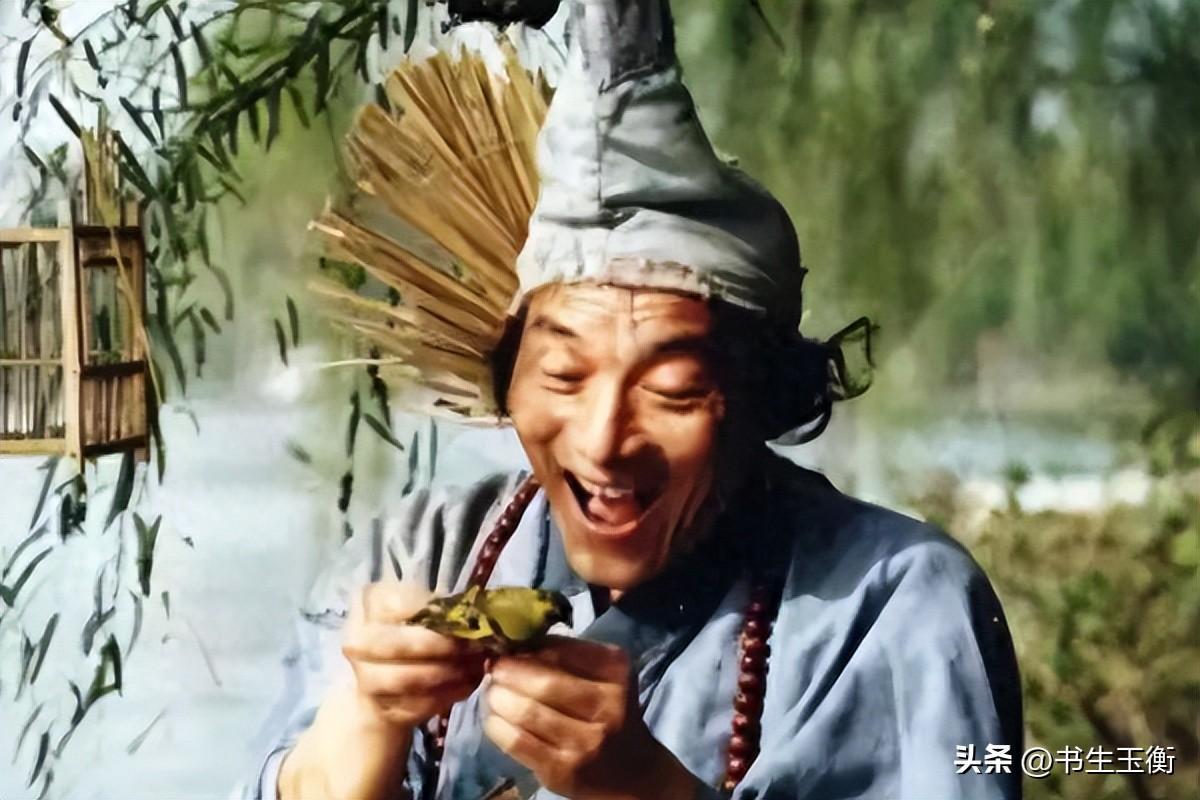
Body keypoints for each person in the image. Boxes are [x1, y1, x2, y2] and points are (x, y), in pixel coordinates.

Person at [242, 1, 1022, 798]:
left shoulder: (897, 599)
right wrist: (369, 716)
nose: (603, 441)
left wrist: (646, 788)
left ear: (760, 396)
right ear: (507, 381)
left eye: (671, 390)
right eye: (562, 375)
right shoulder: (425, 554)